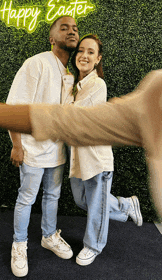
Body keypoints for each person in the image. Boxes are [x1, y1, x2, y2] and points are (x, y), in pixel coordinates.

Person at [0, 70, 162, 232]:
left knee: (81, 201)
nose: (72, 33)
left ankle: (76, 242)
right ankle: (26, 241)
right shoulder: (155, 93)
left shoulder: (98, 85)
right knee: (60, 199)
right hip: (54, 154)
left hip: (86, 158)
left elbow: (68, 119)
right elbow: (65, 121)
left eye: (90, 51)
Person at [5, 16, 79, 277]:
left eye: (75, 28)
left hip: (57, 151)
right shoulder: (36, 63)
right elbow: (15, 108)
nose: (71, 31)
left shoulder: (70, 73)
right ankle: (19, 243)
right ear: (51, 38)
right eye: (64, 28)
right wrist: (17, 145)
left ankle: (49, 236)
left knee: (53, 196)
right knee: (26, 198)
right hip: (32, 149)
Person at [62, 34, 143, 266]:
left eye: (90, 52)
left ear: (98, 59)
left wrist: (65, 93)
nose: (84, 56)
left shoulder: (97, 84)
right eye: (81, 51)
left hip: (96, 158)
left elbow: (71, 115)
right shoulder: (76, 85)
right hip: (78, 156)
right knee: (82, 201)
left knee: (96, 203)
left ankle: (93, 245)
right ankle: (125, 205)